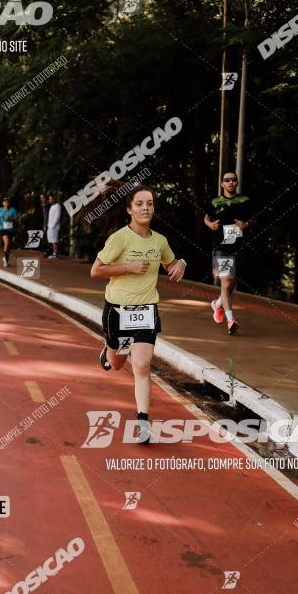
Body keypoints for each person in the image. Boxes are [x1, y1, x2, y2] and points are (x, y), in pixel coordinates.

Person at [90, 185, 186, 444]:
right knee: (117, 363)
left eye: (150, 203)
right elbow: (96, 271)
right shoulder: (119, 238)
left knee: (142, 366)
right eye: (140, 203)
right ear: (129, 209)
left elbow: (170, 264)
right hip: (118, 311)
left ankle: (143, 422)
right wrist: (128, 267)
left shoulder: (160, 241)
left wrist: (181, 264)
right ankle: (108, 350)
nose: (146, 208)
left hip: (147, 310)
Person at [204, 170, 252, 335]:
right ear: (222, 184)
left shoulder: (244, 201)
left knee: (231, 284)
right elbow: (206, 217)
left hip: (240, 248)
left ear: (236, 183)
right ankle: (231, 321)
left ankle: (217, 304)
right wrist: (210, 225)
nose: (231, 182)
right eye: (227, 180)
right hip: (222, 248)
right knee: (226, 283)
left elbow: (254, 218)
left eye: (233, 180)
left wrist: (246, 225)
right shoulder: (216, 202)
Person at [0, 197, 18, 267]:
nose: (6, 203)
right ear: (3, 203)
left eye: (7, 202)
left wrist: (11, 218)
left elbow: (16, 220)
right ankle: (5, 260)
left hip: (11, 229)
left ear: (9, 203)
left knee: (9, 245)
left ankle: (6, 259)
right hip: (2, 229)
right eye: (5, 202)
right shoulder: (0, 210)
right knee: (7, 242)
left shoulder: (13, 210)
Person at [46, 194, 61, 259]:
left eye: (51, 199)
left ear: (54, 199)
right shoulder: (52, 206)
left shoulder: (57, 206)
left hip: (54, 227)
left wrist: (53, 225)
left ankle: (55, 254)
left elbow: (57, 217)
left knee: (54, 240)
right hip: (50, 226)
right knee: (51, 240)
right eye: (49, 199)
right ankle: (53, 253)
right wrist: (48, 226)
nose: (50, 200)